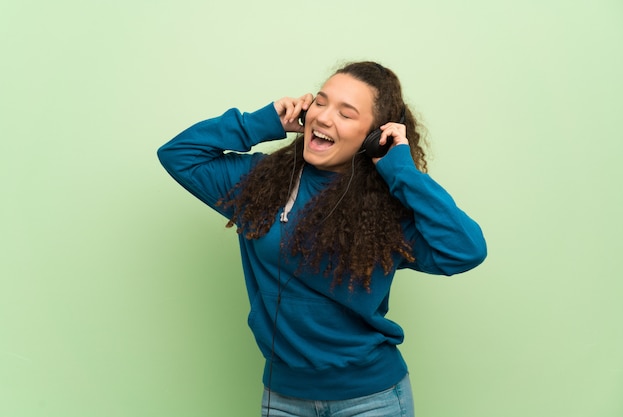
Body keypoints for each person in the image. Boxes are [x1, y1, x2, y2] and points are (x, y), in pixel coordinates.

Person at [157, 61, 487, 417]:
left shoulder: (389, 211)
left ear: (373, 135)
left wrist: (399, 168)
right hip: (283, 397)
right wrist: (261, 122)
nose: (324, 118)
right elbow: (179, 155)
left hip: (372, 399)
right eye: (321, 102)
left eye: (346, 114)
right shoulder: (258, 184)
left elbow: (465, 249)